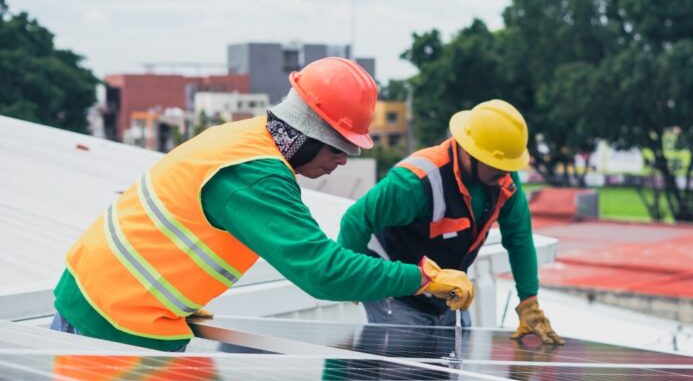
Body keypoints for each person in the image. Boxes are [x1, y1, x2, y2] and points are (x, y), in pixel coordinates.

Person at [49, 57, 474, 351]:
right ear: (310, 131)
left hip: (107, 300)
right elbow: (321, 272)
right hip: (112, 319)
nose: (343, 160)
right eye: (340, 146)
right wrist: (419, 278)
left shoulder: (245, 138)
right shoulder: (256, 175)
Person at [338, 99, 564, 345]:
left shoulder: (504, 183)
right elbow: (355, 220)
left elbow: (519, 238)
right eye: (498, 165)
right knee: (405, 372)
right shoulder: (416, 181)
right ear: (469, 152)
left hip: (449, 294)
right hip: (398, 294)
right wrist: (352, 280)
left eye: (509, 166)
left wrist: (529, 301)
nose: (505, 174)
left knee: (449, 371)